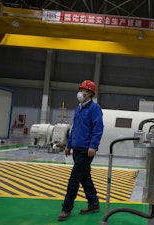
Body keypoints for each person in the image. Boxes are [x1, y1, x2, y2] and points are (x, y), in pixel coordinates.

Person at [58, 80, 104, 221]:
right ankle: (93, 203)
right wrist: (68, 145)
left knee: (74, 179)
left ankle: (66, 208)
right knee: (85, 178)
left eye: (83, 90)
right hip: (77, 148)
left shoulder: (95, 108)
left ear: (89, 93)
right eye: (80, 89)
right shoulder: (78, 109)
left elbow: (98, 129)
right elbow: (74, 129)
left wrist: (93, 146)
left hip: (86, 150)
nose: (80, 92)